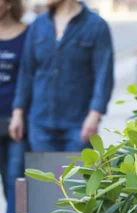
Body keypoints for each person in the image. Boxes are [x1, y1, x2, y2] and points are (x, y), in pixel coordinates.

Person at [10, 0, 114, 152]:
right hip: (40, 124)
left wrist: (95, 115)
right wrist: (17, 113)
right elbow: (26, 73)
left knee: (76, 176)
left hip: (79, 124)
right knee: (43, 176)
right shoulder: (38, 24)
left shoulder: (96, 25)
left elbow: (104, 76)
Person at [0, 0, 27, 213]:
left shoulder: (27, 34)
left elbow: (29, 76)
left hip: (17, 120)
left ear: (9, 3)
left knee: (15, 178)